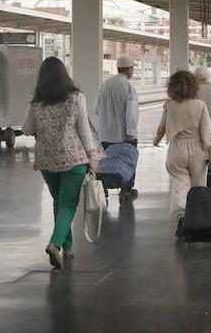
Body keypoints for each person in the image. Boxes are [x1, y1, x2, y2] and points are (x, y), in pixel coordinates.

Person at [22, 57, 103, 269]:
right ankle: (55, 243)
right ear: (64, 75)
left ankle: (68, 248)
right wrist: (92, 156)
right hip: (73, 158)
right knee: (68, 204)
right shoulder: (76, 98)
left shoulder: (36, 102)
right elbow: (84, 130)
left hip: (47, 159)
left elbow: (26, 130)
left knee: (59, 201)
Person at [153, 70, 211, 238]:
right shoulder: (199, 105)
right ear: (193, 87)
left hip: (177, 149)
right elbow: (206, 132)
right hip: (197, 148)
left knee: (179, 185)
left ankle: (181, 217)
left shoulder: (169, 104)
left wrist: (156, 140)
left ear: (171, 87)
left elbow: (162, 127)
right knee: (198, 186)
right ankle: (196, 219)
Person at [95, 55, 140, 197]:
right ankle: (126, 189)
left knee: (105, 161)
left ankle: (103, 187)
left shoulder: (105, 85)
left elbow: (95, 109)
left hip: (105, 134)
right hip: (122, 135)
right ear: (129, 70)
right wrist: (131, 133)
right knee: (128, 160)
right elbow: (131, 113)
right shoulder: (128, 87)